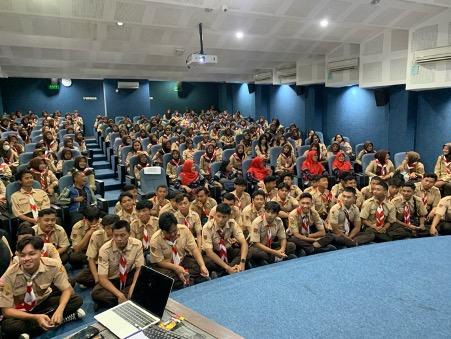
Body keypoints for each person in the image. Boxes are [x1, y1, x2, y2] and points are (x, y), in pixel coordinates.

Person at [0, 237, 84, 338]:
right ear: (17, 255)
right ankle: (59, 320)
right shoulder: (8, 276)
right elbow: (7, 311)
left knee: (76, 300)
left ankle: (30, 332)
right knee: (7, 326)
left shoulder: (53, 265)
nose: (26, 259)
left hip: (43, 302)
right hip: (22, 311)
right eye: (22, 255)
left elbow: (67, 289)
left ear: (41, 252)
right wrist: (35, 317)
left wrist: (60, 310)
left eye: (32, 254)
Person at [91, 220, 144, 308]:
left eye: (122, 235)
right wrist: (119, 294)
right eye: (115, 235)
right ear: (112, 235)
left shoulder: (137, 244)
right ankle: (128, 297)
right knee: (96, 293)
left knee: (144, 279)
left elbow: (139, 268)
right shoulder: (105, 249)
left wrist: (134, 285)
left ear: (129, 234)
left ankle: (115, 300)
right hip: (112, 279)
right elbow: (102, 278)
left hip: (127, 275)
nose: (119, 239)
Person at [150, 212, 209, 289]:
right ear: (162, 230)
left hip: (182, 260)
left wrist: (202, 265)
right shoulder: (155, 240)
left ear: (176, 225)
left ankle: (185, 279)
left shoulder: (184, 230)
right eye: (168, 233)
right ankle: (190, 279)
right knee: (165, 278)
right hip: (167, 266)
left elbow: (194, 249)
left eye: (174, 231)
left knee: (201, 264)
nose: (172, 234)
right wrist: (176, 268)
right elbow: (160, 262)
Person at [202, 204, 248, 276]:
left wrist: (242, 263)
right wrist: (228, 267)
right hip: (214, 253)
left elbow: (244, 243)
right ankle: (230, 269)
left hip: (226, 250)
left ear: (229, 217)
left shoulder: (232, 223)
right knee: (207, 262)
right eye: (218, 216)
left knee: (245, 252)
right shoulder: (207, 227)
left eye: (224, 217)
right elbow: (209, 252)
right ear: (214, 215)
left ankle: (223, 272)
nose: (221, 220)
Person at [75, 215, 118, 288]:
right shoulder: (97, 235)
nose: (112, 231)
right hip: (101, 265)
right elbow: (91, 259)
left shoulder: (121, 234)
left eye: (114, 228)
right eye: (108, 228)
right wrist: (97, 279)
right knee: (80, 278)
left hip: (117, 265)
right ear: (103, 227)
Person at [248, 201, 296, 266]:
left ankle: (273, 259)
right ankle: (279, 258)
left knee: (291, 245)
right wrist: (275, 252)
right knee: (256, 253)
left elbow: (283, 238)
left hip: (270, 245)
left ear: (277, 214)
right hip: (258, 247)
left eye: (273, 213)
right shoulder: (257, 222)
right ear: (264, 211)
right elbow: (256, 244)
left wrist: (282, 249)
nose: (270, 215)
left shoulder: (278, 221)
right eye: (267, 212)